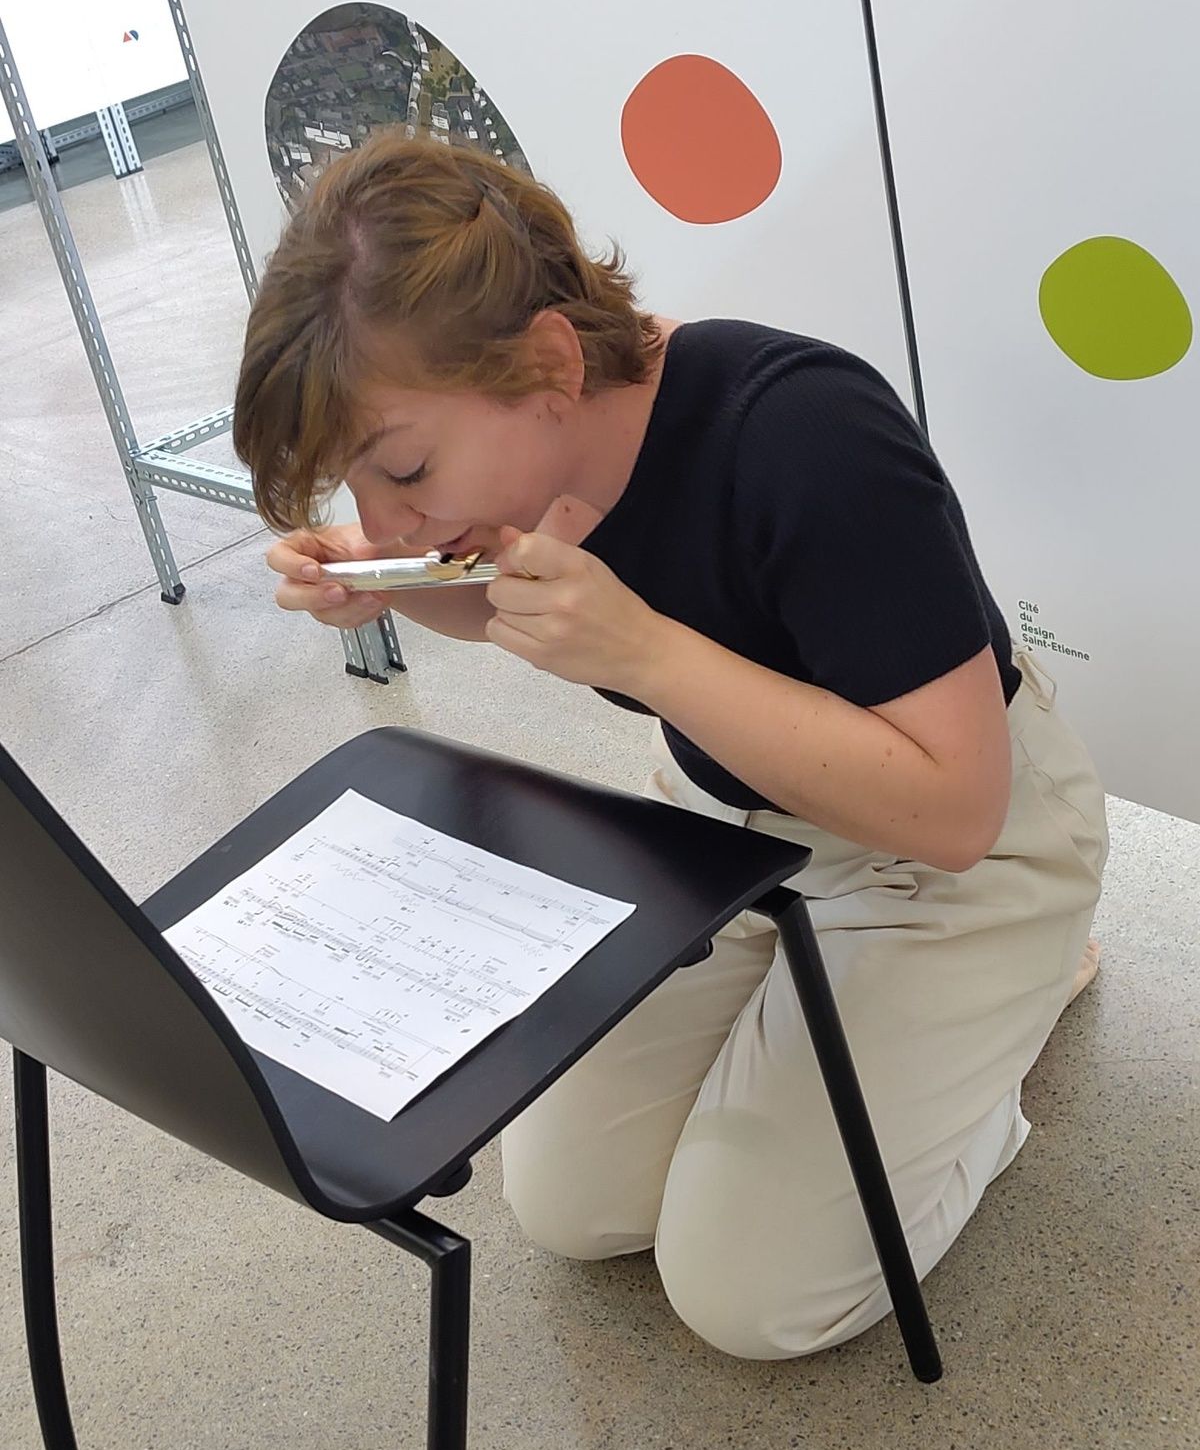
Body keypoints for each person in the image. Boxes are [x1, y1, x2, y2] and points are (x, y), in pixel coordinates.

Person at [232, 129, 1109, 1360]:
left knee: (749, 1296)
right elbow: (495, 604)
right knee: (570, 1202)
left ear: (550, 361)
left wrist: (645, 651)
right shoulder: (534, 457)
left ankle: (1007, 1025)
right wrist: (380, 580)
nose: (387, 517)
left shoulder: (806, 431)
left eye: (406, 468)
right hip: (728, 838)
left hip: (962, 852)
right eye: (355, 490)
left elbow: (957, 807)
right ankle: (861, 1034)